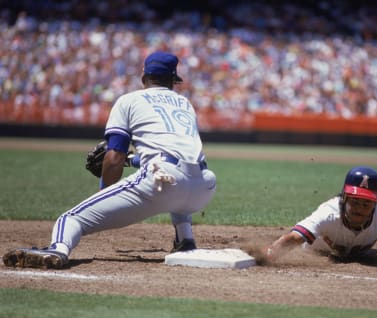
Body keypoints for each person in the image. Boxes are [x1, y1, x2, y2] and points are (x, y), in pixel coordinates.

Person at [3, 51, 217, 269]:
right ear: (173, 80)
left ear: (143, 77)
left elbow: (114, 157)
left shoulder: (129, 100)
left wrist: (105, 194)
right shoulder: (185, 104)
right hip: (204, 186)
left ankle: (57, 249)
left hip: (163, 183)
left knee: (69, 219)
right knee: (178, 177)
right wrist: (132, 161)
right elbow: (173, 156)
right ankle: (185, 239)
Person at [260, 166, 377, 266]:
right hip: (318, 251)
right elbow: (295, 237)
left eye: (366, 203)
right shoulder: (328, 214)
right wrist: (269, 254)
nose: (359, 208)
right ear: (344, 197)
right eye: (355, 201)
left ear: (376, 203)